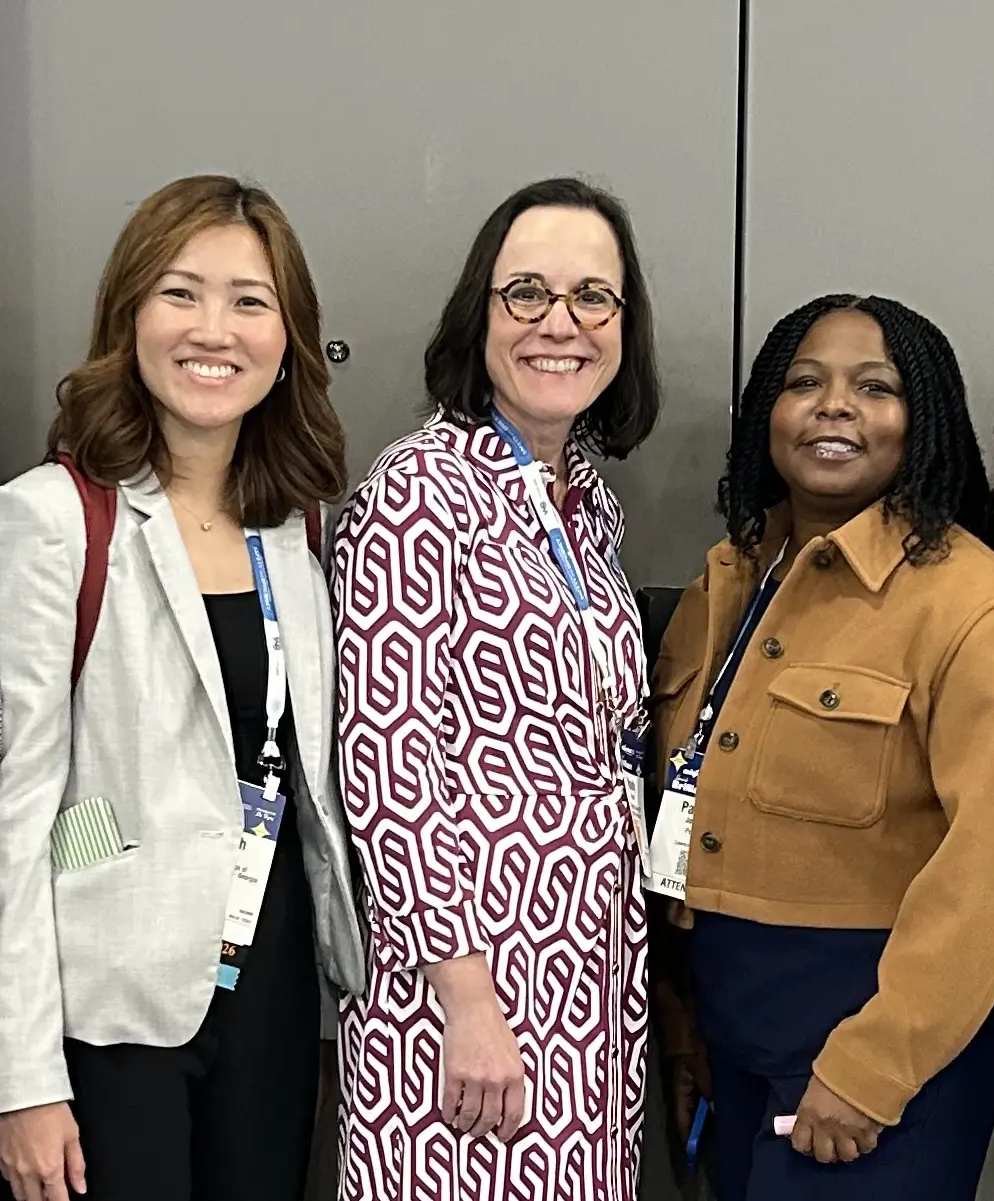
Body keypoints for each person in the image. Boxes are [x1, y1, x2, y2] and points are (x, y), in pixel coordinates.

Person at [0, 175, 367, 1201]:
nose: (214, 330)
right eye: (180, 293)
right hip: (109, 1008)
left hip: (272, 988)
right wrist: (20, 1075)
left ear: (290, 339)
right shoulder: (53, 519)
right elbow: (18, 815)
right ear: (129, 314)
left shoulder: (299, 529)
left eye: (250, 301)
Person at [649, 295, 994, 1200]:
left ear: (924, 422)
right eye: (804, 381)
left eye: (875, 387)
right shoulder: (727, 581)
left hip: (877, 1051)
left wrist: (873, 1068)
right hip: (730, 1024)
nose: (833, 404)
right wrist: (688, 1023)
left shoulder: (986, 616)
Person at [330, 177, 661, 1201]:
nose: (559, 324)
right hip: (465, 975)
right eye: (525, 293)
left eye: (590, 298)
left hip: (587, 967)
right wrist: (463, 993)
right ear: (479, 315)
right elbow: (385, 759)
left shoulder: (587, 503)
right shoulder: (419, 490)